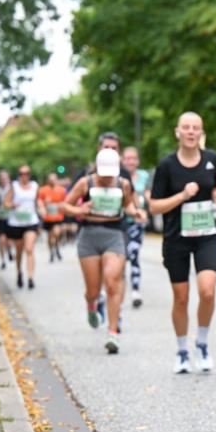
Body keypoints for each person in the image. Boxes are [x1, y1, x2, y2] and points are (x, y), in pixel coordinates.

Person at [148, 112, 216, 374]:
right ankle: (182, 350)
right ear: (177, 132)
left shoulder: (213, 159)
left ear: (200, 132)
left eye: (195, 128)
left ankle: (201, 343)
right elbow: (155, 206)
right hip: (176, 239)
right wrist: (182, 195)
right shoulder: (166, 165)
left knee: (208, 291)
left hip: (206, 236)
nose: (191, 132)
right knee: (181, 299)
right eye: (186, 128)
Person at [63, 148, 137, 354]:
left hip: (114, 236)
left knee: (112, 282)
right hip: (89, 237)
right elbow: (65, 206)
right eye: (103, 173)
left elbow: (128, 206)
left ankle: (113, 333)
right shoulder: (85, 183)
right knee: (93, 290)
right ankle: (91, 306)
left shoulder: (123, 184)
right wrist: (79, 210)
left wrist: (136, 212)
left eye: (110, 173)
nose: (106, 177)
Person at [3, 165, 42, 289]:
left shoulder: (35, 186)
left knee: (29, 249)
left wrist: (42, 208)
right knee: (19, 251)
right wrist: (12, 205)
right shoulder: (14, 186)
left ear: (30, 175)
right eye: (21, 173)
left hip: (31, 221)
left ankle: (30, 277)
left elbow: (37, 201)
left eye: (27, 173)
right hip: (16, 222)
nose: (24, 175)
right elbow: (5, 203)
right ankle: (19, 272)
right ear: (19, 175)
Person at [121, 145, 150, 307]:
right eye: (127, 158)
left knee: (133, 253)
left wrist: (147, 207)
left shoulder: (144, 176)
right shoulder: (117, 175)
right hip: (120, 222)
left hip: (137, 222)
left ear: (137, 161)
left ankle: (135, 290)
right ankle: (116, 287)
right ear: (122, 160)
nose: (130, 161)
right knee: (120, 256)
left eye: (133, 158)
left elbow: (148, 195)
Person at [38, 172, 67, 262]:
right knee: (50, 236)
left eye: (54, 180)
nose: (52, 181)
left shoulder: (61, 190)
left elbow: (66, 201)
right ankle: (51, 252)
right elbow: (39, 201)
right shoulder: (43, 190)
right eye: (50, 180)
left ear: (56, 180)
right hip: (48, 217)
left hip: (58, 217)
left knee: (56, 233)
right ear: (48, 181)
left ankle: (57, 247)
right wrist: (43, 206)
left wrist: (61, 206)